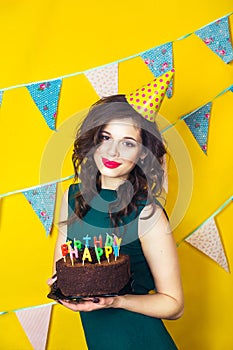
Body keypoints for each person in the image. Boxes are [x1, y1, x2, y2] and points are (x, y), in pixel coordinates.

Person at [48, 77, 184, 349]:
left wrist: (117, 300)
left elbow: (174, 304)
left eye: (128, 143)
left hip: (143, 340)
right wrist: (65, 289)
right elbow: (61, 272)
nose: (113, 151)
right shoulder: (72, 197)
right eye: (106, 138)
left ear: (143, 154)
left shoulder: (149, 213)